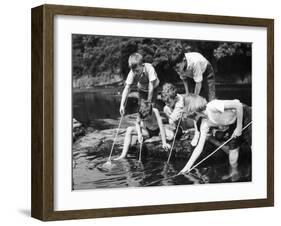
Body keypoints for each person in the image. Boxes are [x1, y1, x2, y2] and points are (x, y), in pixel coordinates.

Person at [178, 94, 252, 176]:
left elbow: (238, 105)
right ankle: (234, 175)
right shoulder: (204, 123)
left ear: (193, 110)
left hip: (245, 114)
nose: (192, 118)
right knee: (232, 158)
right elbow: (199, 147)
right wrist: (186, 167)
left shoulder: (212, 106)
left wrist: (239, 128)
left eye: (191, 115)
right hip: (233, 123)